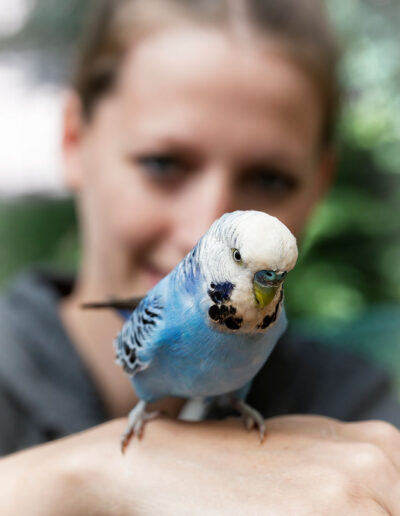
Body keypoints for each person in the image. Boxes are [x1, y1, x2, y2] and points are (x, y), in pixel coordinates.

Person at [1, 0, 400, 513]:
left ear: (320, 184)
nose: (199, 227)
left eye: (269, 180)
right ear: (74, 139)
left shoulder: (354, 405)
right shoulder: (154, 322)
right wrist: (73, 480)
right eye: (162, 163)